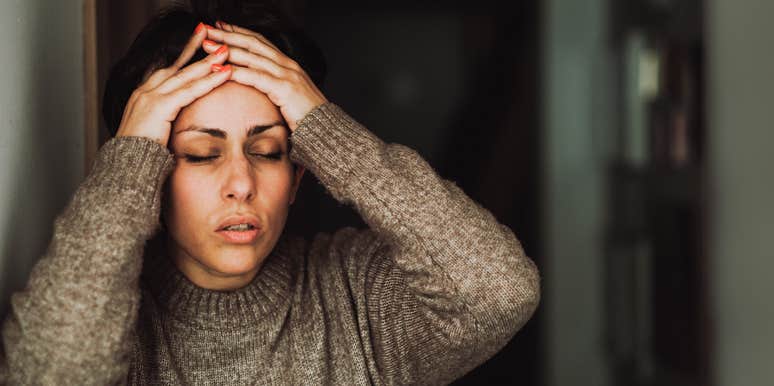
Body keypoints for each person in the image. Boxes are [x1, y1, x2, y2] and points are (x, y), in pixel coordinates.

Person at [0, 1, 540, 384]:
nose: (241, 184)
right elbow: (51, 372)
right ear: (149, 178)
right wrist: (128, 157)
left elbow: (498, 292)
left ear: (299, 176)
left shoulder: (356, 300)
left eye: (267, 151)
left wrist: (324, 127)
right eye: (201, 153)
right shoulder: (115, 322)